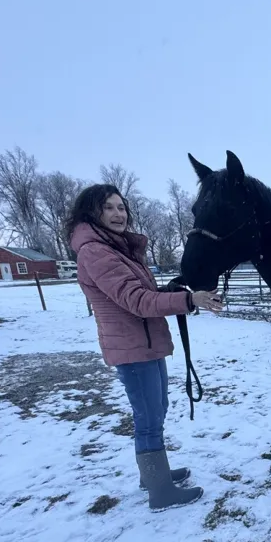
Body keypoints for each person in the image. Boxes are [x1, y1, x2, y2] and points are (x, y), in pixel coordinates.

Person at [67, 184, 224, 512]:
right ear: (92, 213)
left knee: (157, 409)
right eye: (108, 207)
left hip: (146, 343)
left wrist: (170, 290)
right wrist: (188, 300)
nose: (118, 213)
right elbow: (135, 300)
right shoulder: (96, 251)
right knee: (149, 417)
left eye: (121, 207)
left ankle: (154, 474)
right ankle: (160, 491)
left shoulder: (116, 249)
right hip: (132, 347)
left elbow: (140, 291)